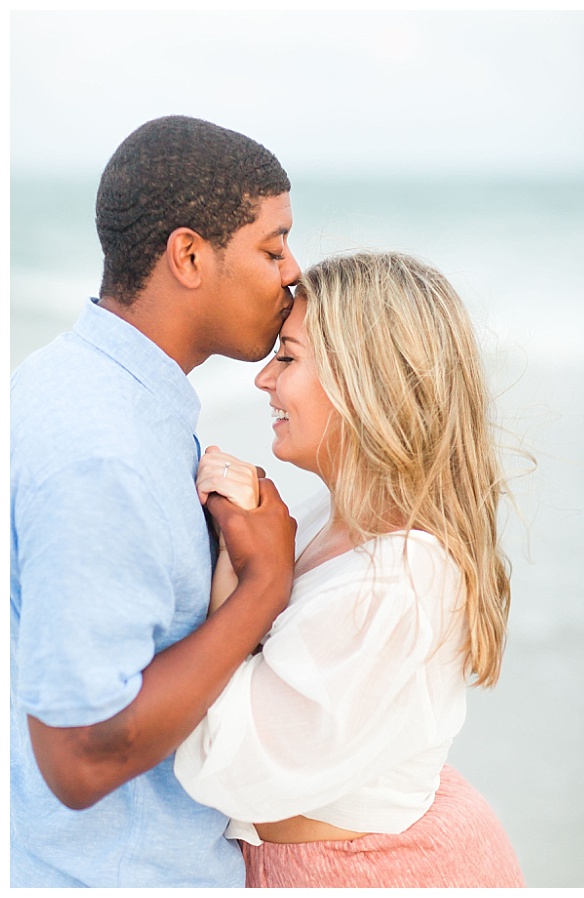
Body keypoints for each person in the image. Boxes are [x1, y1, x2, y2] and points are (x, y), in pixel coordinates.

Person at [173, 251, 525, 888]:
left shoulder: (399, 580)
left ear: (364, 382)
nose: (263, 380)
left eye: (288, 356)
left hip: (375, 873)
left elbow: (223, 770)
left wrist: (247, 574)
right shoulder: (328, 517)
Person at [10, 116, 300, 887]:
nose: (293, 271)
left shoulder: (71, 380)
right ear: (189, 255)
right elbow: (79, 755)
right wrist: (264, 589)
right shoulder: (104, 451)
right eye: (272, 248)